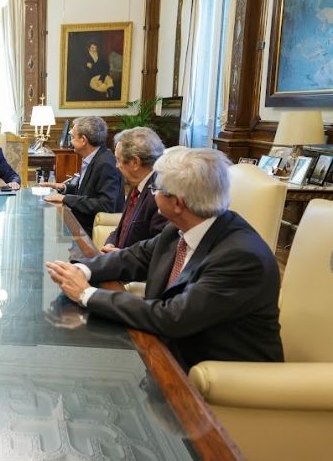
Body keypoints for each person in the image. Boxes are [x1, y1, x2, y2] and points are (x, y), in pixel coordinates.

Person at [46, 147, 283, 371]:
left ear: (177, 203)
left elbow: (174, 317)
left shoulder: (241, 257)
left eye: (155, 188)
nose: (152, 193)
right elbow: (135, 257)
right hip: (168, 349)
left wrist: (86, 294)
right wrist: (80, 269)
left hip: (215, 373)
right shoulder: (182, 227)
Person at [43, 116, 124, 236]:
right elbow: (87, 191)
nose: (71, 142)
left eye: (73, 137)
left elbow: (106, 205)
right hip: (80, 223)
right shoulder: (94, 158)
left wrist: (65, 198)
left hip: (89, 231)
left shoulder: (105, 164)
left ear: (83, 140)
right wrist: (64, 187)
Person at [101, 127, 168, 253]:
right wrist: (110, 243)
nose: (116, 166)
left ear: (135, 162)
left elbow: (158, 250)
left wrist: (121, 255)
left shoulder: (159, 195)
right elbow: (121, 229)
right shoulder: (137, 184)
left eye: (118, 160)